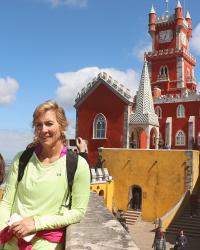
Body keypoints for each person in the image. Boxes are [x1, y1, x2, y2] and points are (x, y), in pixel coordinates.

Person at [0, 100, 90, 250]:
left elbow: (78, 212)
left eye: (49, 123)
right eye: (38, 125)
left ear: (62, 126)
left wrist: (36, 223)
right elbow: (7, 203)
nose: (43, 129)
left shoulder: (77, 165)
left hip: (46, 245)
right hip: (11, 243)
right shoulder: (21, 159)